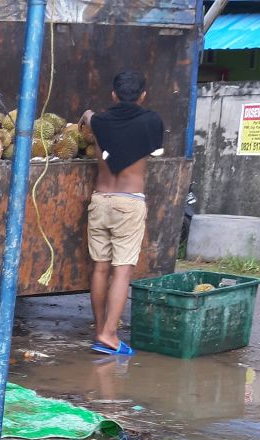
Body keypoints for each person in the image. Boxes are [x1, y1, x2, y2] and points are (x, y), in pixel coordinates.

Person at [81, 70, 164, 356]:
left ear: (113, 95)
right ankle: (109, 335)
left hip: (101, 200)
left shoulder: (99, 121)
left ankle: (98, 329)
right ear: (143, 95)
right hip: (129, 202)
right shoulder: (151, 120)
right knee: (122, 272)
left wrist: (87, 115)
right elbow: (154, 147)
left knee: (100, 268)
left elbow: (89, 116)